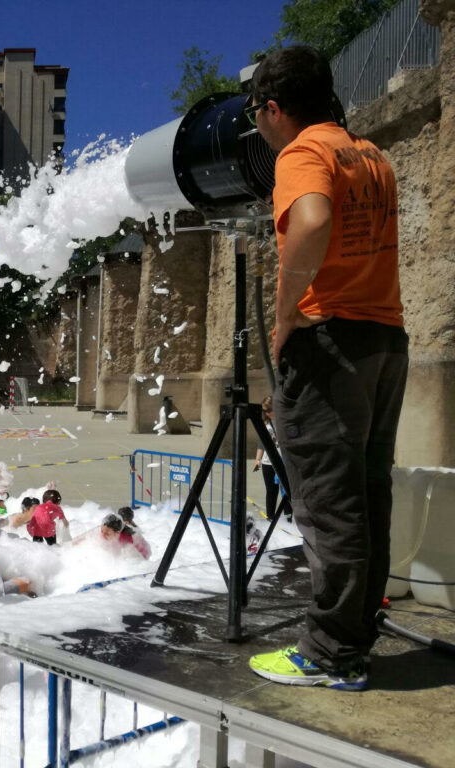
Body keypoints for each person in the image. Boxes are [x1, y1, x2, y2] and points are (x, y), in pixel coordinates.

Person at [246, 46, 407, 692]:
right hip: (384, 339)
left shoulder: (301, 154)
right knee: (369, 496)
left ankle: (327, 653)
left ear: (274, 108)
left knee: (327, 505)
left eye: (258, 114)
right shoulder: (370, 155)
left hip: (330, 343)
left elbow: (311, 219)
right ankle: (353, 638)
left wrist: (287, 316)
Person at [252, 396, 290, 523]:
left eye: (269, 410)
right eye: (264, 411)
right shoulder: (265, 424)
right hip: (268, 462)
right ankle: (271, 517)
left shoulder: (284, 421)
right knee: (271, 490)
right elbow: (261, 443)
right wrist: (258, 459)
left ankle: (288, 516)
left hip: (283, 460)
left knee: (285, 489)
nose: (267, 413)